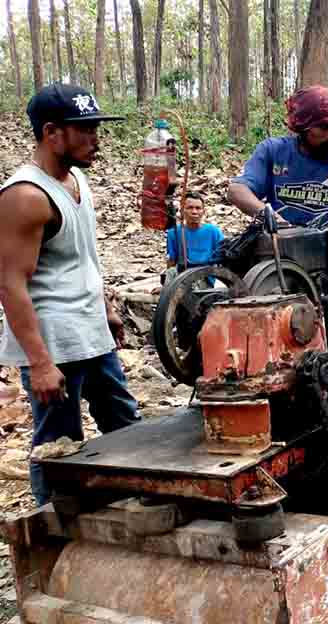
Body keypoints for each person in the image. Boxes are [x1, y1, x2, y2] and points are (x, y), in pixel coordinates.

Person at [0, 83, 139, 506]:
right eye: (85, 130)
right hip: (54, 343)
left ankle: (135, 505)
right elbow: (10, 284)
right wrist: (40, 364)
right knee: (58, 445)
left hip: (91, 332)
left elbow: (83, 260)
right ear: (51, 133)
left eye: (96, 127)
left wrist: (107, 310)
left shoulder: (77, 178)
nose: (96, 139)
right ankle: (49, 543)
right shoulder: (26, 196)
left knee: (127, 425)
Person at [229, 85, 328, 230]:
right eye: (325, 128)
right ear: (303, 127)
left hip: (323, 240)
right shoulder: (274, 151)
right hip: (277, 239)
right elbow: (237, 190)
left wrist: (327, 236)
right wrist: (272, 219)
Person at [166, 192, 225, 269]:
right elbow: (171, 261)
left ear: (203, 211)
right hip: (184, 276)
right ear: (182, 211)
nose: (194, 212)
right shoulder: (174, 233)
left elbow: (222, 256)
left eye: (198, 208)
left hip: (208, 276)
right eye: (190, 208)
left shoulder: (213, 231)